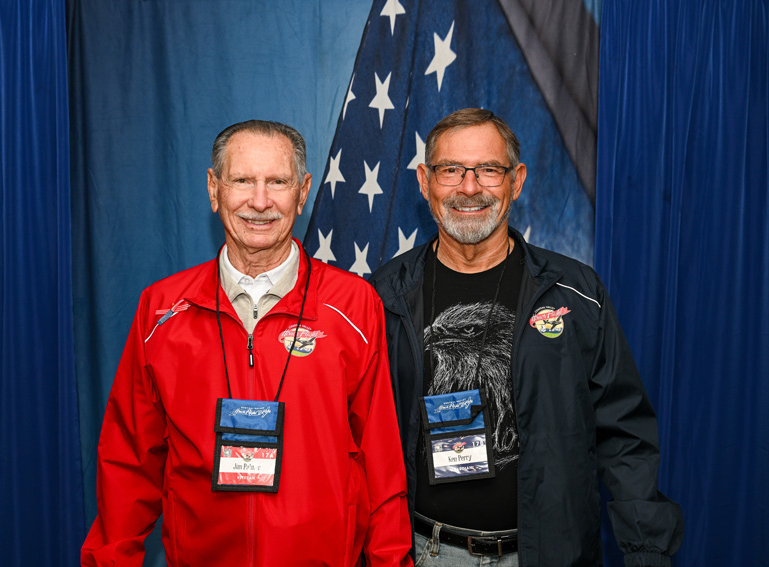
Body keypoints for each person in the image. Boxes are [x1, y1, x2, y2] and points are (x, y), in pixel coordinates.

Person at [82, 120, 413, 566]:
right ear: (214, 188)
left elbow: (382, 461)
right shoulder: (161, 310)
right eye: (242, 181)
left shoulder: (353, 306)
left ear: (302, 191)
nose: (260, 202)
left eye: (277, 182)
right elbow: (128, 463)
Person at [369, 109, 683, 566]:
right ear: (424, 181)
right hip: (425, 551)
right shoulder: (381, 297)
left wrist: (646, 552)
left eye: (488, 170)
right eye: (450, 170)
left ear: (516, 181)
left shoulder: (576, 294)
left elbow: (624, 435)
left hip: (545, 554)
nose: (470, 187)